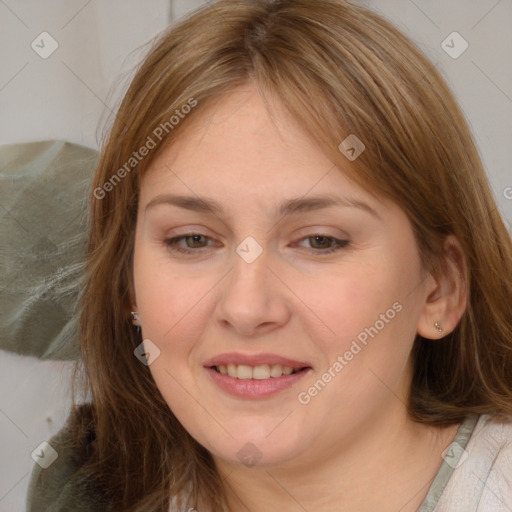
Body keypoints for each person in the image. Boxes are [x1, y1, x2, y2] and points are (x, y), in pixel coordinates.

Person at [27, 0, 512, 510]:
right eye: (192, 240)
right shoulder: (84, 491)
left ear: (439, 288)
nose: (246, 307)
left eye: (320, 240)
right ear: (127, 281)